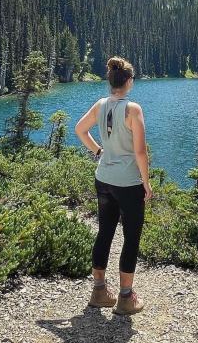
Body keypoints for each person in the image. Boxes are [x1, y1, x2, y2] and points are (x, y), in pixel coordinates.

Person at [74, 56, 153, 315]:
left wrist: (98, 151)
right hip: (129, 183)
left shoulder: (100, 105)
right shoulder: (134, 109)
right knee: (131, 239)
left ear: (111, 81)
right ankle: (125, 298)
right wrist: (146, 184)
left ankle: (99, 292)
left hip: (103, 179)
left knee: (105, 232)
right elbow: (140, 152)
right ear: (129, 81)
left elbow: (79, 130)